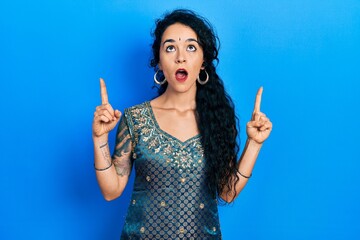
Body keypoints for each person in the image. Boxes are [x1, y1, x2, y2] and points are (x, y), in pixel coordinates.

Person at [92, 9, 272, 239]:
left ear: (203, 61)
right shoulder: (135, 118)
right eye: (170, 48)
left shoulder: (217, 118)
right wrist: (99, 139)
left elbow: (227, 193)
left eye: (190, 47)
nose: (180, 57)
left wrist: (254, 144)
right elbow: (111, 190)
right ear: (159, 62)